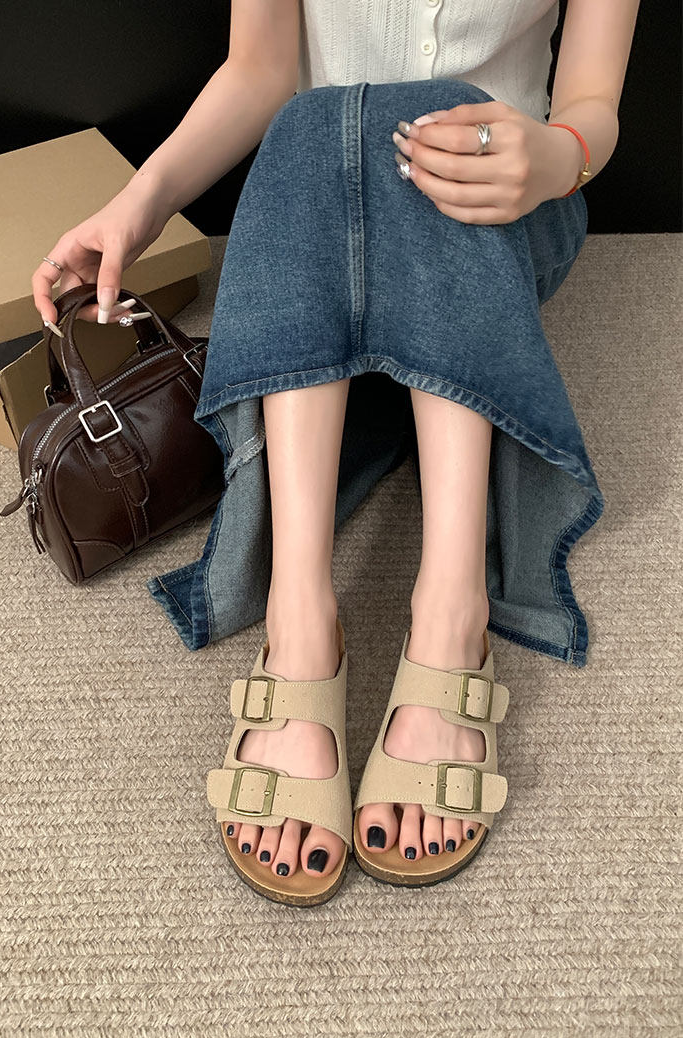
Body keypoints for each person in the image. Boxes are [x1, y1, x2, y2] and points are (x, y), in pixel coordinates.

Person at [32, 0, 642, 906]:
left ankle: (451, 615)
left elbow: (593, 101)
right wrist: (138, 206)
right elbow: (259, 71)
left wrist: (555, 155)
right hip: (315, 225)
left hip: (502, 215)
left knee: (435, 116)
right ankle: (299, 624)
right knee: (312, 120)